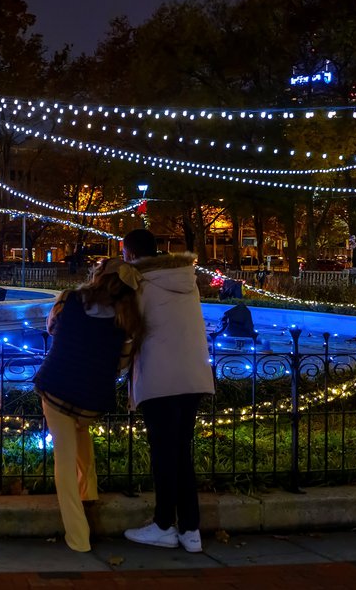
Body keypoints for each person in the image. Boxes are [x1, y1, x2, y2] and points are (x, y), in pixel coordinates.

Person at [33, 257, 143, 553]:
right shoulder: (127, 321)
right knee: (81, 435)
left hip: (56, 389)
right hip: (93, 398)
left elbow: (53, 328)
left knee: (64, 462)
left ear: (98, 277)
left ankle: (78, 537)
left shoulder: (68, 300)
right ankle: (90, 495)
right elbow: (122, 363)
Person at [120, 228, 214, 553]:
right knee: (181, 452)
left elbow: (128, 328)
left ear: (129, 254)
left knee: (163, 453)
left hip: (161, 379)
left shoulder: (139, 283)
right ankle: (190, 530)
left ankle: (163, 525)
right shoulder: (184, 278)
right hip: (194, 375)